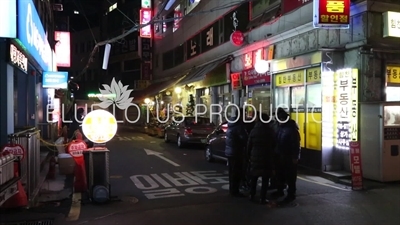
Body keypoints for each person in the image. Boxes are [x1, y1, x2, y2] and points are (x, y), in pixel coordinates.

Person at [272, 108, 301, 203]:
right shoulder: (279, 127)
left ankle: (291, 194)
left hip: (288, 156)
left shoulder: (291, 128)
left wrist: (295, 157)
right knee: (280, 174)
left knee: (290, 176)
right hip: (279, 154)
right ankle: (280, 190)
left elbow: (295, 144)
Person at [247, 113, 277, 204]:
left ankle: (252, 195)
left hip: (255, 156)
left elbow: (249, 145)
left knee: (254, 177)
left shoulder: (254, 131)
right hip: (266, 157)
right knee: (265, 179)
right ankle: (262, 198)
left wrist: (248, 156)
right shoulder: (270, 131)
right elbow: (274, 144)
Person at [225, 108, 248, 197]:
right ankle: (235, 191)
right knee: (236, 172)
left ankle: (232, 189)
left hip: (230, 151)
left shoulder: (232, 124)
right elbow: (244, 139)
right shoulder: (239, 126)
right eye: (244, 114)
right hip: (236, 152)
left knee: (232, 172)